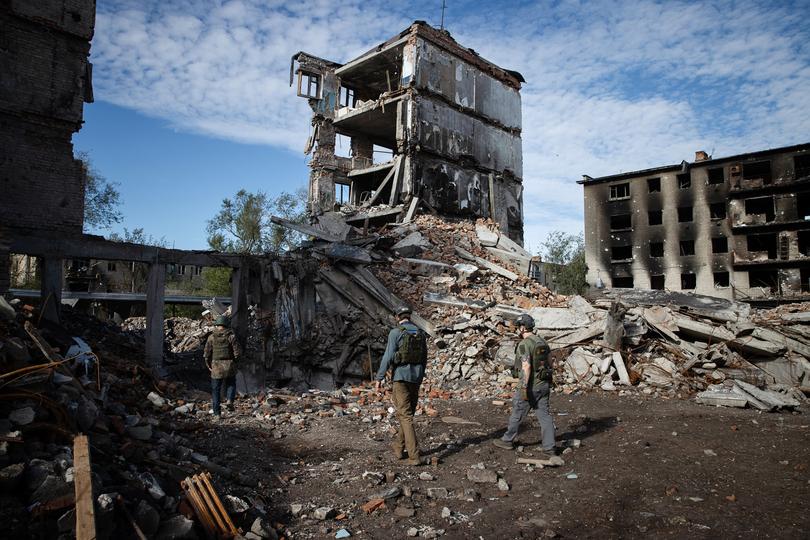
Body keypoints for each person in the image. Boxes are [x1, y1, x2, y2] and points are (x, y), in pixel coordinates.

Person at [493, 314, 556, 457]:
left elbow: (526, 366)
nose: (517, 330)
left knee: (517, 412)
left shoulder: (525, 344)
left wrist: (523, 388)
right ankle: (550, 447)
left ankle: (507, 440)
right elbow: (550, 361)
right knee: (545, 415)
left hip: (531, 386)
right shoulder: (542, 342)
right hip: (544, 384)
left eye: (518, 327)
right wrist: (549, 380)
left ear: (522, 328)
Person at [375, 306, 427, 466]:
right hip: (416, 378)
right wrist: (420, 376)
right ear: (409, 316)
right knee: (407, 415)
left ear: (398, 317)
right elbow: (424, 358)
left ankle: (414, 456)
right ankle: (398, 447)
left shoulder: (396, 333)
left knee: (405, 416)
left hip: (401, 378)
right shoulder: (420, 333)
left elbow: (388, 356)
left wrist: (379, 377)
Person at [204, 315, 243, 419]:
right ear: (226, 324)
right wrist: (236, 362)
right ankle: (230, 400)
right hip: (229, 365)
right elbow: (237, 353)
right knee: (231, 383)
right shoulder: (231, 336)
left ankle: (217, 414)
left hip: (216, 366)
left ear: (217, 324)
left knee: (215, 390)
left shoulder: (211, 337)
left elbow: (206, 354)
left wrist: (208, 365)